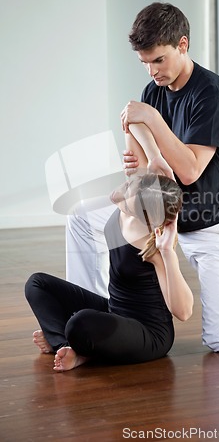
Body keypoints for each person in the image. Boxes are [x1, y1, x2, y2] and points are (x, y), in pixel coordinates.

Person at [66, 2, 219, 354]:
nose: (152, 71)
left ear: (182, 44)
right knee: (81, 216)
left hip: (209, 222)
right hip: (160, 215)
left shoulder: (213, 94)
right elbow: (145, 164)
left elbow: (190, 170)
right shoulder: (153, 91)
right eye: (145, 63)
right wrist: (148, 149)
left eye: (159, 60)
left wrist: (151, 121)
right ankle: (91, 322)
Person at [25, 150, 194, 371]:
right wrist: (154, 156)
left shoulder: (153, 247)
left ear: (145, 217)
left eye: (126, 202)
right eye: (127, 187)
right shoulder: (142, 192)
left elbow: (184, 312)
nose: (118, 196)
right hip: (113, 310)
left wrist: (168, 253)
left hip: (148, 334)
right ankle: (67, 346)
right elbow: (131, 118)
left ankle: (76, 348)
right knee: (37, 284)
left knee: (80, 322)